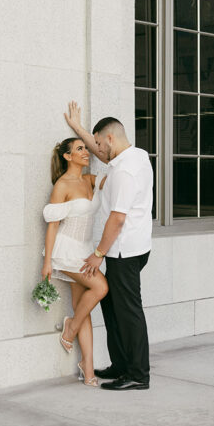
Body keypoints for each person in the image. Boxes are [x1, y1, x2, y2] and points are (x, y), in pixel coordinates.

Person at [64, 101, 153, 391]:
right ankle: (120, 365)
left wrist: (98, 253)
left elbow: (117, 219)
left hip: (123, 251)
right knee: (113, 309)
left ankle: (138, 374)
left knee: (128, 312)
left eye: (100, 143)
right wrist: (78, 128)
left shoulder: (125, 171)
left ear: (111, 139)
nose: (97, 150)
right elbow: (102, 149)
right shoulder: (134, 156)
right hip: (127, 248)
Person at [42, 137, 109, 387]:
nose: (86, 152)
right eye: (80, 148)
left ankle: (87, 368)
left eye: (86, 148)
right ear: (67, 156)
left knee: (83, 306)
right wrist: (48, 262)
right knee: (100, 288)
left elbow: (112, 169)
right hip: (67, 251)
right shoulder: (63, 185)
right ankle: (69, 327)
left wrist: (88, 138)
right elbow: (52, 226)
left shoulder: (90, 179)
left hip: (85, 248)